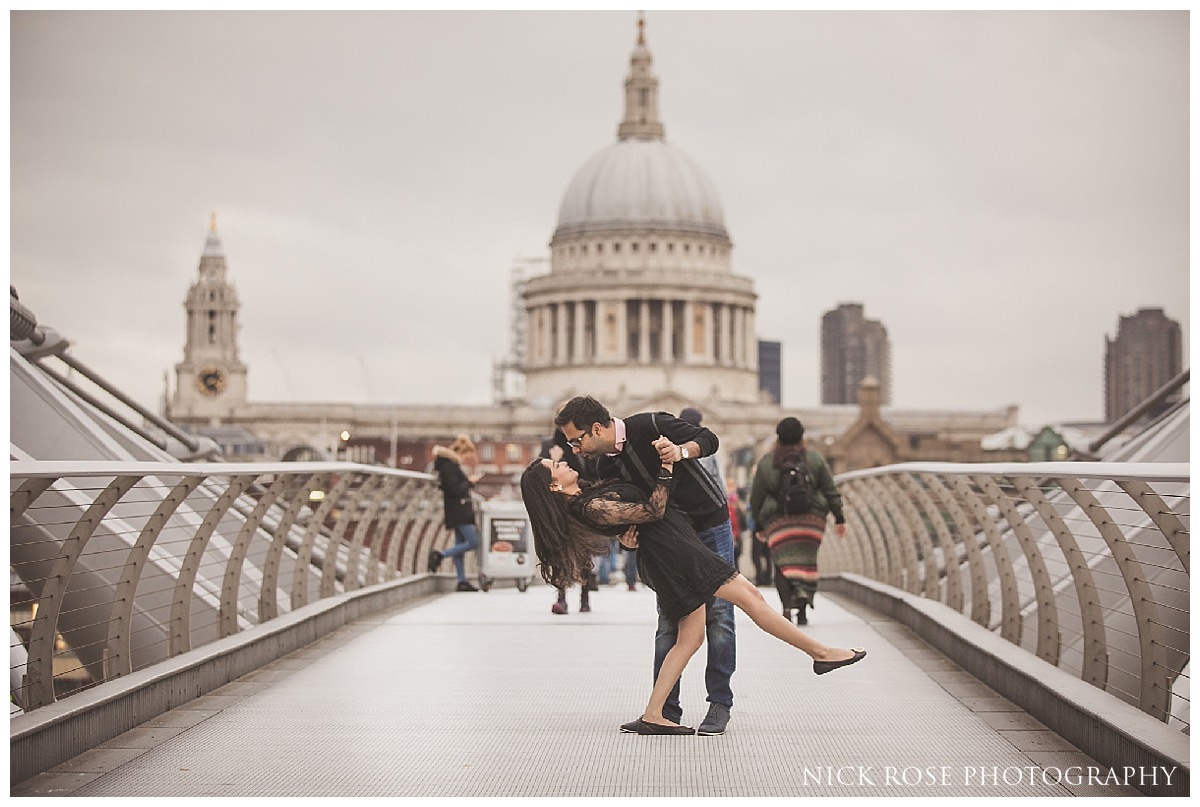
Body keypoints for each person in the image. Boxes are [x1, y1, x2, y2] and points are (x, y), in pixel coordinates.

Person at [520, 453, 866, 735]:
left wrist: (627, 534)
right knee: (751, 600)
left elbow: (630, 522)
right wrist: (667, 469)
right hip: (679, 556)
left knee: (690, 638)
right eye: (556, 466)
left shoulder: (586, 500)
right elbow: (652, 510)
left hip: (672, 554)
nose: (563, 462)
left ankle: (654, 713)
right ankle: (820, 652)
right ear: (553, 484)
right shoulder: (588, 506)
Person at [554, 396, 736, 735]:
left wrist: (680, 452)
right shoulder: (601, 466)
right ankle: (665, 708)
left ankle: (719, 703)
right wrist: (627, 536)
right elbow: (631, 507)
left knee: (721, 615)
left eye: (577, 440)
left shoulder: (650, 424)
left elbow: (709, 439)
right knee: (669, 620)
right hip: (671, 539)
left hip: (707, 523)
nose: (575, 450)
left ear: (597, 428)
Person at [749, 417, 846, 625]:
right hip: (811, 521)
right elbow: (830, 489)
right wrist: (839, 517)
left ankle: (786, 607)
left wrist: (758, 523)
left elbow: (756, 496)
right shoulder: (815, 460)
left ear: (778, 437)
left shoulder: (768, 462)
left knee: (783, 564)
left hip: (778, 520)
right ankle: (802, 607)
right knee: (806, 563)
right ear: (802, 437)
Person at [427, 434, 481, 592]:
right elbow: (455, 488)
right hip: (459, 510)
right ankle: (440, 555)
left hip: (456, 509)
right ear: (461, 452)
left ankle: (461, 580)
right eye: (466, 456)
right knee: (473, 542)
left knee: (460, 545)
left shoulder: (447, 464)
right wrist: (469, 482)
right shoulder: (450, 465)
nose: (465, 460)